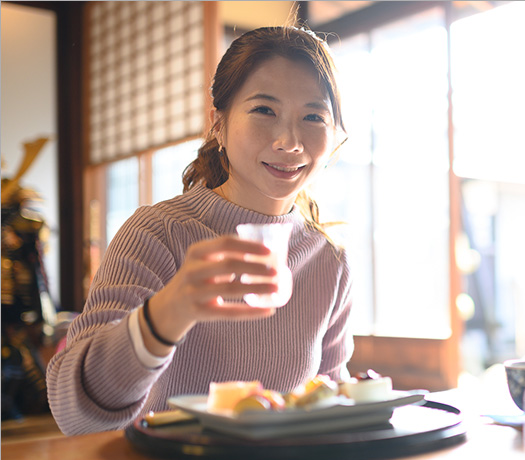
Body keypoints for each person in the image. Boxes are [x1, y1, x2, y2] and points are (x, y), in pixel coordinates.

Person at [47, 24, 353, 435]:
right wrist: (168, 313)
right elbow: (73, 412)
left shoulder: (329, 258)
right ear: (218, 124)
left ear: (334, 137)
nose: (289, 141)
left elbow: (331, 405)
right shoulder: (158, 233)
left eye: (313, 116)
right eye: (264, 110)